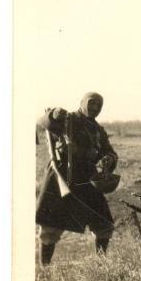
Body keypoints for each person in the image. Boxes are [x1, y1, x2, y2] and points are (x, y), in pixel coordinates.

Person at [36, 92, 119, 265]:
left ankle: (101, 264)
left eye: (98, 106)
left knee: (103, 223)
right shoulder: (68, 119)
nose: (94, 108)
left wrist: (109, 158)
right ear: (82, 103)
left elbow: (109, 151)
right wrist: (53, 114)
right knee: (50, 226)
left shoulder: (98, 130)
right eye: (91, 104)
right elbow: (44, 122)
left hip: (87, 178)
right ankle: (45, 267)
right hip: (61, 176)